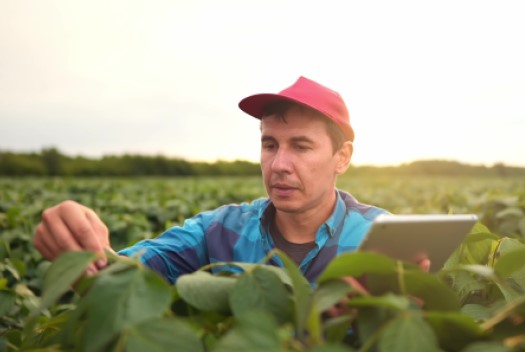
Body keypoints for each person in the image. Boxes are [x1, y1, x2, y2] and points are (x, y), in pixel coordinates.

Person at [33, 76, 429, 289]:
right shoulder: (218, 230)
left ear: (341, 157)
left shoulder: (381, 236)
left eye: (301, 146)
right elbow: (118, 275)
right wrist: (78, 247)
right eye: (269, 144)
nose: (279, 164)